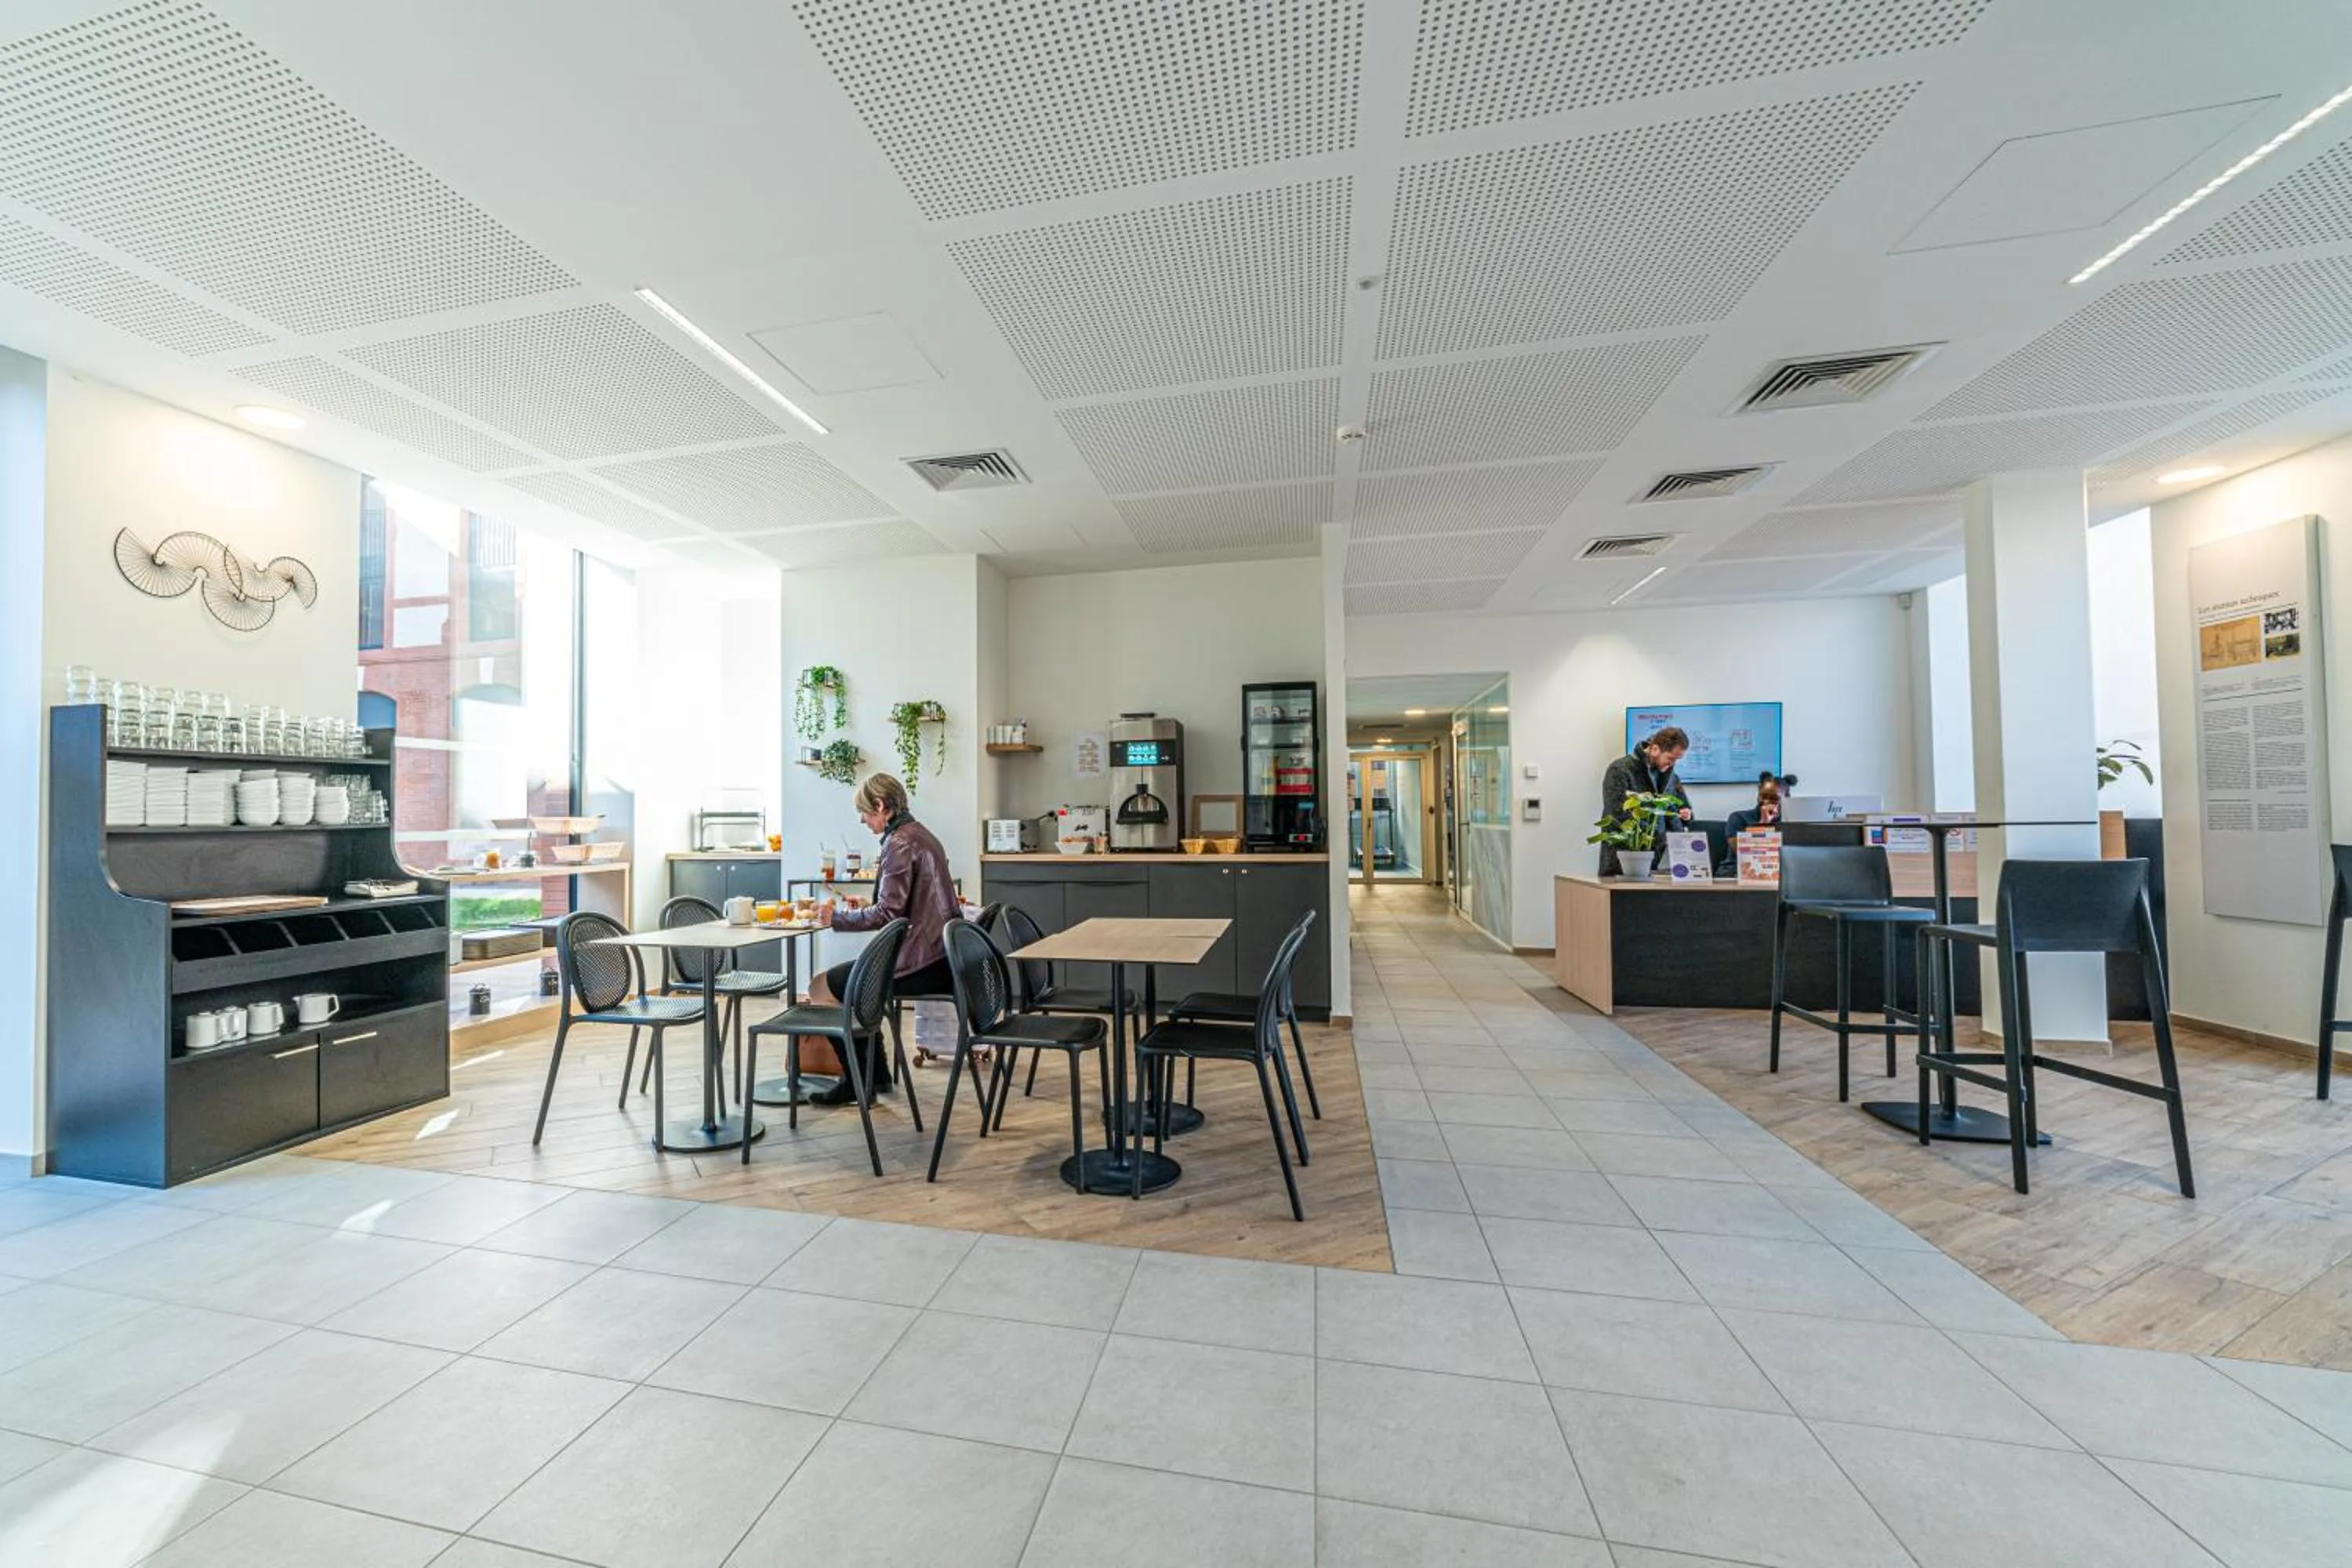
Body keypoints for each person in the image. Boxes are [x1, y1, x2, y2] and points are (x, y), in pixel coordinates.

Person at [805, 772, 960, 1105]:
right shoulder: (921, 835)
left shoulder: (899, 842)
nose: (862, 819)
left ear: (881, 806)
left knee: (823, 988)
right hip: (940, 958)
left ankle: (858, 1083)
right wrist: (868, 906)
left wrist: (838, 918)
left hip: (921, 964)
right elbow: (903, 905)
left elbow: (889, 915)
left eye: (865, 812)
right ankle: (876, 1078)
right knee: (853, 983)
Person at [1599, 726, 1693, 877]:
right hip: (1622, 859)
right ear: (1655, 749)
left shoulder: (1669, 775)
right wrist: (1649, 838)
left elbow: (1673, 812)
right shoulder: (1620, 769)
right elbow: (1618, 813)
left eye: (1677, 760)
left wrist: (1684, 847)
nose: (1673, 764)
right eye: (1671, 758)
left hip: (1655, 860)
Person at [1718, 771, 1782, 873]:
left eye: (1774, 798)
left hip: (1775, 874)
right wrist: (1763, 824)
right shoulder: (1738, 817)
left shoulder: (1791, 822)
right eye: (1764, 795)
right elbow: (1745, 853)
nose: (1767, 801)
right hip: (1736, 872)